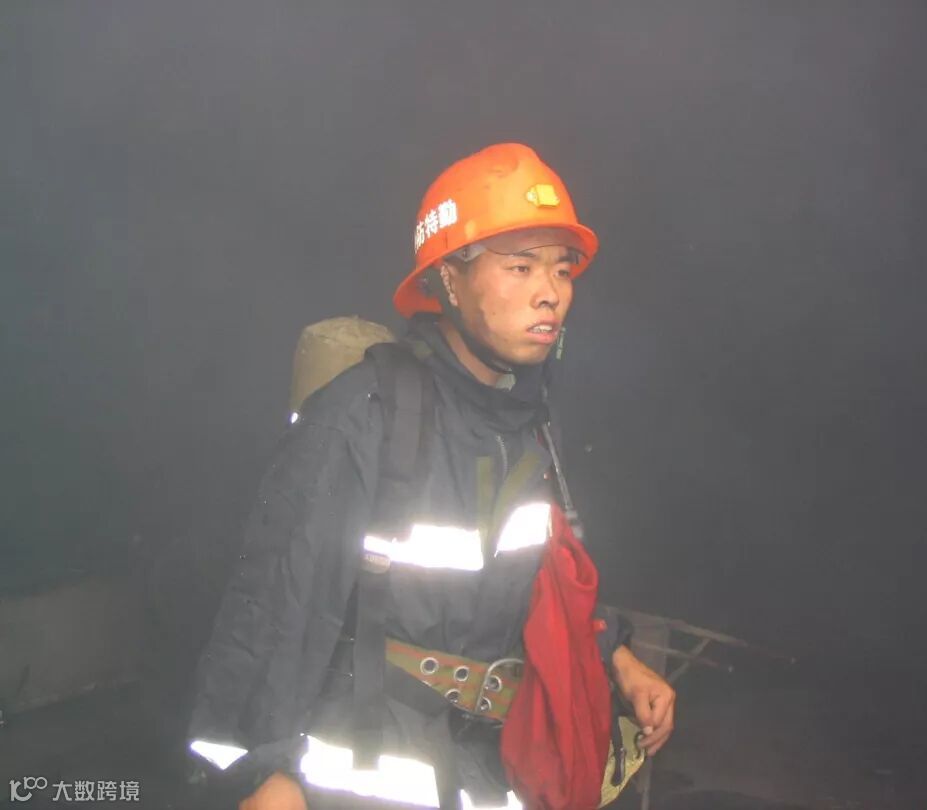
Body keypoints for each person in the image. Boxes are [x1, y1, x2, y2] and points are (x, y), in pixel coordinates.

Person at [187, 143, 675, 810]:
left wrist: (616, 657)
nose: (551, 292)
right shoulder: (366, 414)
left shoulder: (525, 424)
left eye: (562, 270)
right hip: (358, 779)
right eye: (521, 266)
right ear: (449, 278)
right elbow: (273, 609)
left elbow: (537, 583)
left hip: (489, 775)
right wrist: (258, 777)